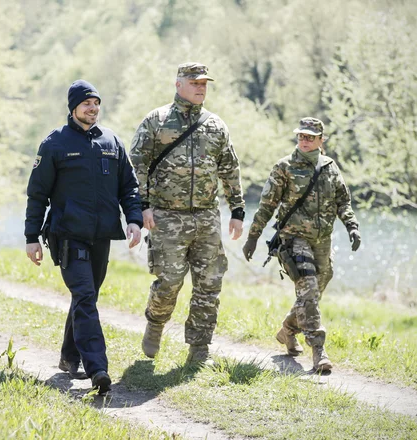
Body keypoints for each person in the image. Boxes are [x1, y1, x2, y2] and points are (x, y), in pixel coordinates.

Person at [24, 79, 143, 394]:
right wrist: (31, 236)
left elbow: (129, 188)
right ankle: (98, 368)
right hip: (67, 236)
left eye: (96, 103)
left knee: (85, 296)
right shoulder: (55, 144)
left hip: (101, 236)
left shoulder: (112, 142)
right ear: (73, 107)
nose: (93, 108)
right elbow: (37, 194)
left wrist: (133, 220)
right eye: (87, 103)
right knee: (86, 296)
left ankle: (68, 357)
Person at [129, 62, 245, 365]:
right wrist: (142, 207)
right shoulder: (157, 121)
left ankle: (199, 347)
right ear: (178, 84)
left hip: (207, 217)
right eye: (195, 82)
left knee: (209, 284)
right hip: (167, 216)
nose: (201, 88)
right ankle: (155, 324)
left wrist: (237, 210)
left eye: (204, 83)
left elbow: (229, 168)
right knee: (169, 282)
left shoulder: (216, 125)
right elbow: (136, 166)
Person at [242, 117, 361, 372]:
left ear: (321, 140)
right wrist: (253, 236)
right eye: (301, 136)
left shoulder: (330, 167)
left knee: (314, 293)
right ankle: (319, 351)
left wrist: (352, 226)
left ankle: (287, 330)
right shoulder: (284, 166)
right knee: (307, 290)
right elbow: (267, 205)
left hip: (323, 241)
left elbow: (343, 201)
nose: (304, 140)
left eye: (309, 137)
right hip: (294, 239)